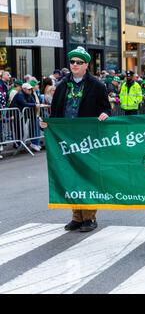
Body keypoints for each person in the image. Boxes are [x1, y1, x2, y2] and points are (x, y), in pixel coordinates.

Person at [40, 46, 111, 232]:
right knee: (70, 175)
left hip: (87, 139)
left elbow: (106, 108)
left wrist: (104, 114)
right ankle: (76, 217)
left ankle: (89, 217)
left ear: (86, 64)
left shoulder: (97, 85)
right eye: (72, 62)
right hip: (66, 139)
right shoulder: (62, 85)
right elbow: (55, 112)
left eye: (79, 62)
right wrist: (48, 125)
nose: (75, 65)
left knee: (87, 176)